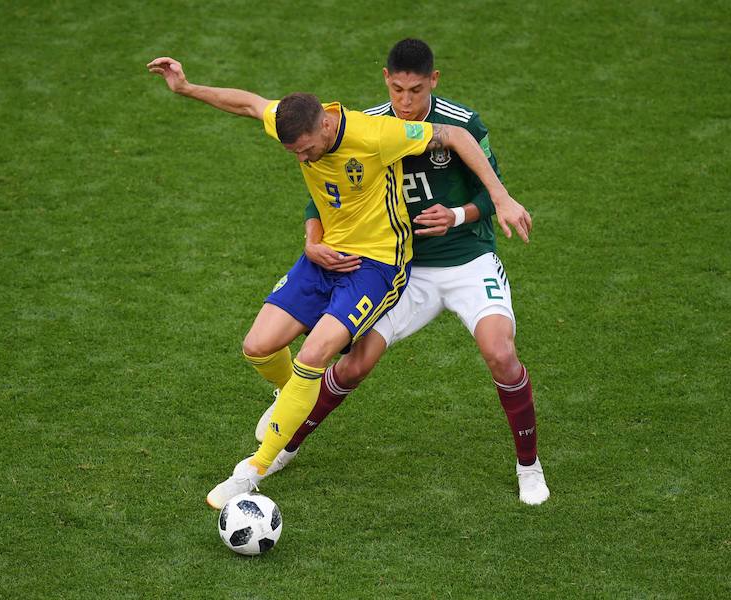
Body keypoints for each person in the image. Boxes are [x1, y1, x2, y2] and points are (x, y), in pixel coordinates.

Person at [146, 55, 533, 509]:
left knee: (316, 355)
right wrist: (187, 88)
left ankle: (252, 470)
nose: (301, 157)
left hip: (377, 265)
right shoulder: (292, 121)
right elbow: (250, 104)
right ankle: (288, 394)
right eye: (295, 151)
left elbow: (456, 135)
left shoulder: (375, 134)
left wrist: (501, 198)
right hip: (326, 255)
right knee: (257, 347)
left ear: (327, 127)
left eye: (307, 149)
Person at [255, 39, 550, 505]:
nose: (406, 103)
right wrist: (315, 238)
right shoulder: (368, 126)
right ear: (386, 81)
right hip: (403, 268)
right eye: (397, 90)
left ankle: (529, 466)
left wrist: (458, 215)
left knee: (500, 353)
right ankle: (284, 446)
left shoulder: (461, 123)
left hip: (466, 260)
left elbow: (488, 196)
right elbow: (324, 193)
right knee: (353, 365)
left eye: (415, 90)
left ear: (434, 81)